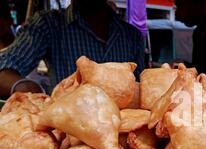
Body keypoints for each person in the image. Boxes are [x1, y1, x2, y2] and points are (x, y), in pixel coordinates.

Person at [0, 0, 145, 98]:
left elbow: (141, 91)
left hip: (123, 134)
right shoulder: (49, 25)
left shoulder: (131, 36)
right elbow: (4, 67)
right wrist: (23, 87)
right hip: (69, 132)